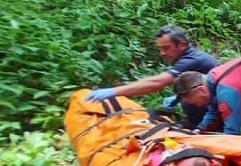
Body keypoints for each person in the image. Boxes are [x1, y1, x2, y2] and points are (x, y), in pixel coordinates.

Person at [83, 25, 220, 129]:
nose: (162, 53)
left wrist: (113, 92)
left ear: (182, 45)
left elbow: (157, 82)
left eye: (166, 48)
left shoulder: (192, 59)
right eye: (160, 49)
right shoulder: (186, 58)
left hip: (217, 112)